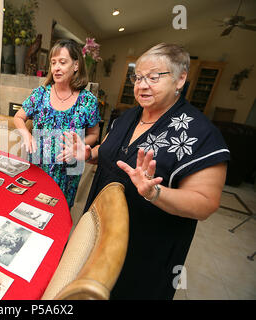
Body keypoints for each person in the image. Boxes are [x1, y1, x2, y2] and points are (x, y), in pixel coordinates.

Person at [58, 43, 229, 299]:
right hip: (98, 231)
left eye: (154, 77)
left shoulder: (201, 134)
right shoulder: (126, 117)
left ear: (181, 79)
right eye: (137, 77)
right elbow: (109, 154)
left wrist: (155, 192)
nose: (142, 84)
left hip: (146, 247)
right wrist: (89, 154)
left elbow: (206, 203)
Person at [14, 39, 101, 208]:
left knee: (59, 213)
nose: (56, 68)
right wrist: (26, 134)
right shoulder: (40, 93)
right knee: (31, 209)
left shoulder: (88, 101)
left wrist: (79, 146)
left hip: (69, 170)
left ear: (76, 65)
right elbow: (18, 117)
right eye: (53, 63)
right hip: (39, 165)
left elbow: (94, 134)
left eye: (62, 62)